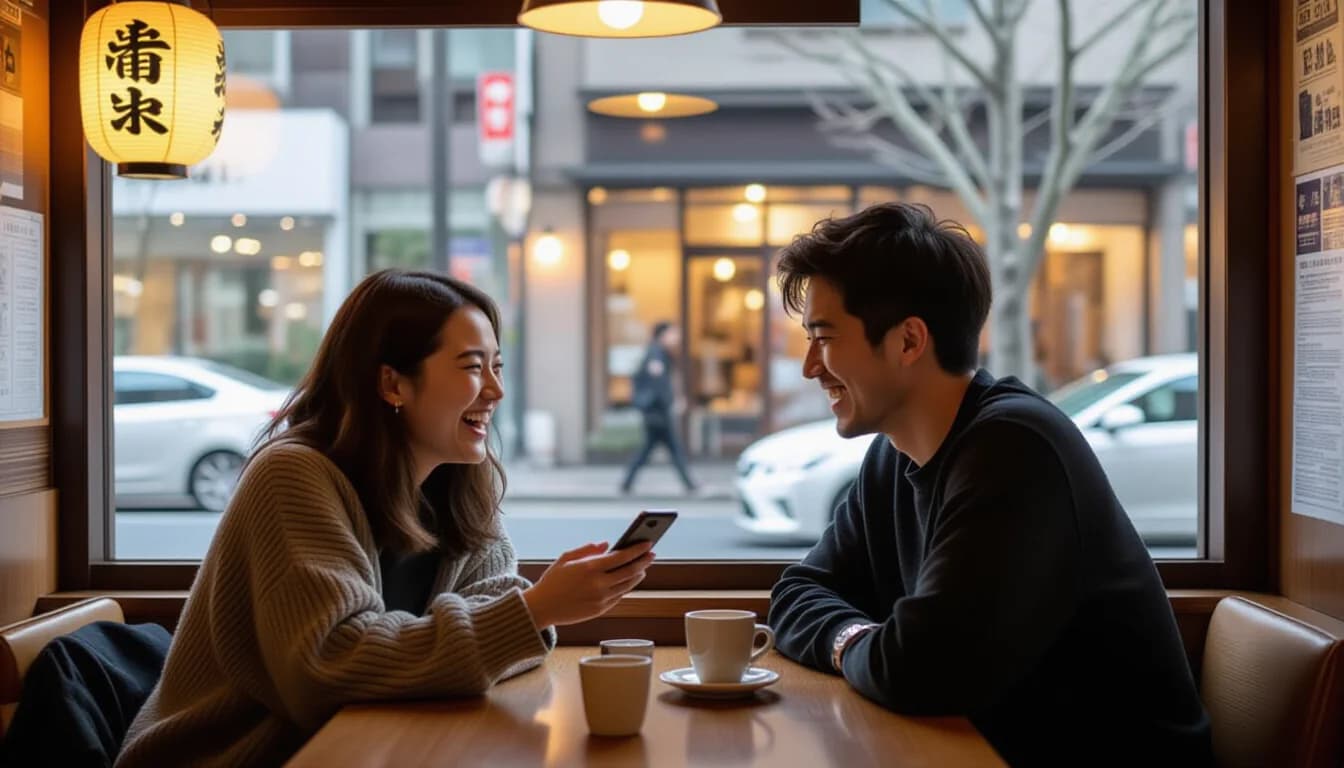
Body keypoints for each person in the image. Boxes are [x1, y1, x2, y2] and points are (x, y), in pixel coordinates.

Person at [116, 270, 655, 767]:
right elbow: (329, 668)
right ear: (393, 384)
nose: (496, 390)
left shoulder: (460, 480)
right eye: (472, 366)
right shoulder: (294, 475)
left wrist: (520, 616)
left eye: (497, 365)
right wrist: (533, 609)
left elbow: (493, 611)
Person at [766, 204, 1212, 766]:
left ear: (908, 342)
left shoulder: (1015, 448)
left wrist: (849, 640)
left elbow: (919, 672)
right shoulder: (892, 454)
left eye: (824, 338)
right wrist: (861, 642)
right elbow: (795, 595)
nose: (810, 366)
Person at [620, 320, 698, 494]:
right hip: (657, 412)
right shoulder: (656, 354)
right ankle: (690, 484)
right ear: (663, 335)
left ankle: (627, 483)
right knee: (672, 449)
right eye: (673, 333)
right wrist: (672, 402)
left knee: (651, 449)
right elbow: (659, 384)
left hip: (656, 412)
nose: (676, 337)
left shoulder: (659, 353)